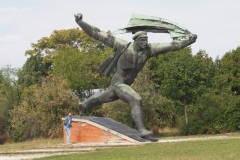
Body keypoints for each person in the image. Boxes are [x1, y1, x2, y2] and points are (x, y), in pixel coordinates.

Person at [74, 13, 197, 139]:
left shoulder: (149, 50)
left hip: (124, 85)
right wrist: (80, 22)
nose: (145, 42)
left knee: (101, 98)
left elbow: (172, 46)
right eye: (143, 40)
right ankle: (142, 130)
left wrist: (188, 41)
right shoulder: (124, 46)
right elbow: (98, 33)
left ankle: (84, 105)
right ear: (136, 40)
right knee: (136, 99)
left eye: (146, 40)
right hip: (118, 83)